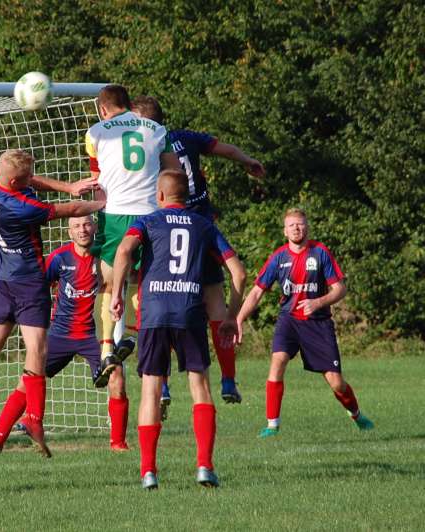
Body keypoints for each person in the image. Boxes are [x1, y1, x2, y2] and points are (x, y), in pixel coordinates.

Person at [0, 149, 105, 458]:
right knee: (37, 348)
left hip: (4, 279)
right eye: (28, 177)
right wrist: (105, 204)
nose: (33, 179)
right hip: (30, 281)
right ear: (17, 181)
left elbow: (31, 180)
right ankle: (34, 417)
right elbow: (69, 210)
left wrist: (68, 185)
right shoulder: (21, 208)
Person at [109, 169, 246, 489]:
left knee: (151, 391)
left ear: (159, 196)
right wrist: (231, 315)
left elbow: (124, 250)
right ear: (186, 196)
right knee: (201, 388)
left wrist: (116, 293)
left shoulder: (147, 221)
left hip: (154, 314)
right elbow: (238, 273)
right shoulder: (204, 225)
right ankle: (204, 467)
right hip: (190, 314)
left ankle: (148, 472)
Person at [0, 215, 130, 453]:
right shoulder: (60, 258)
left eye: (86, 224)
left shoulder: (105, 257)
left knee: (116, 376)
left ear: (95, 227)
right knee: (27, 380)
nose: (82, 230)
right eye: (76, 226)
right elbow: (36, 288)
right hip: (59, 334)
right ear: (69, 232)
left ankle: (118, 444)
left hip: (92, 336)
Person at [236, 208, 374, 438]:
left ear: (307, 227)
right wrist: (239, 318)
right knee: (277, 361)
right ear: (285, 230)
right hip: (288, 320)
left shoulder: (320, 253)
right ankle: (272, 425)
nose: (297, 228)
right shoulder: (278, 258)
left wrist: (318, 302)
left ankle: (357, 414)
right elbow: (257, 293)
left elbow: (340, 289)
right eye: (292, 225)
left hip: (318, 323)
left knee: (336, 383)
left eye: (300, 224)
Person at [164, 127, 266, 405]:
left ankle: (162, 384)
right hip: (202, 226)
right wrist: (247, 160)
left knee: (162, 302)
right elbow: (229, 150)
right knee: (215, 305)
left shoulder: (146, 141)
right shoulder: (185, 136)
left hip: (167, 228)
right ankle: (229, 380)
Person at [86, 88, 180, 386]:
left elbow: (97, 180)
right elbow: (174, 171)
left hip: (115, 214)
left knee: (110, 282)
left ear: (103, 110)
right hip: (151, 213)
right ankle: (132, 338)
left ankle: (106, 348)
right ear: (129, 104)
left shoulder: (96, 132)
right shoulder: (157, 129)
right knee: (145, 281)